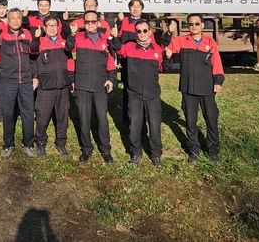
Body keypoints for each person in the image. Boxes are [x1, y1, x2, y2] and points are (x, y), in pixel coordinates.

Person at [163, 13, 224, 165]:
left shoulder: (210, 42)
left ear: (202, 25)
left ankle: (213, 151)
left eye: (197, 23)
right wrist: (169, 33)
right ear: (187, 26)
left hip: (207, 88)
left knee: (211, 119)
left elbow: (216, 63)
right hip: (188, 88)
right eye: (191, 24)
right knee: (190, 121)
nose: (194, 26)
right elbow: (166, 46)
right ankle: (194, 151)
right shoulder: (181, 41)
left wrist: (218, 81)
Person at [110, 21, 164, 168]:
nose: (142, 34)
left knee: (154, 125)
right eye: (139, 31)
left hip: (153, 94)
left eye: (145, 30)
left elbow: (162, 67)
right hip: (134, 94)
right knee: (134, 124)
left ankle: (156, 153)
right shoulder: (129, 47)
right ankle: (136, 152)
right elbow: (118, 49)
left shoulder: (157, 50)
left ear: (150, 32)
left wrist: (169, 56)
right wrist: (114, 37)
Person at [66, 11, 117, 163]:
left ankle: (105, 149)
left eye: (92, 21)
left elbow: (110, 62)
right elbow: (68, 48)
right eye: (87, 22)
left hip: (100, 85)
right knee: (84, 119)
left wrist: (111, 79)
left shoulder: (105, 40)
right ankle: (86, 148)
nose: (90, 24)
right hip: (82, 84)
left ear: (98, 22)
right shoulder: (78, 37)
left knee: (102, 119)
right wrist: (72, 34)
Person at [0, 8, 38, 159]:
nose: (16, 20)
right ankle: (8, 145)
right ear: (7, 20)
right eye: (13, 18)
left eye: (18, 18)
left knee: (28, 113)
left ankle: (27, 144)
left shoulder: (27, 34)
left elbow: (33, 56)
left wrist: (35, 76)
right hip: (8, 81)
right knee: (8, 113)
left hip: (25, 80)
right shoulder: (2, 34)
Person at [30, 15, 72, 159]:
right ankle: (40, 141)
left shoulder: (63, 43)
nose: (52, 28)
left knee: (62, 116)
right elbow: (32, 52)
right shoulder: (40, 42)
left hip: (62, 86)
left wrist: (71, 80)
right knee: (42, 115)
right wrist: (36, 38)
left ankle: (61, 142)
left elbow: (70, 59)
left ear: (58, 27)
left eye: (54, 25)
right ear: (44, 27)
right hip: (46, 86)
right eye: (49, 25)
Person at [116, 0, 146, 128]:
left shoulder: (145, 24)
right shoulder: (124, 21)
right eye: (133, 6)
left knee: (142, 89)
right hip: (127, 61)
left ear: (142, 9)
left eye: (138, 6)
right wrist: (119, 21)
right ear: (129, 9)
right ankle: (126, 119)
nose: (136, 8)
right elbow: (115, 34)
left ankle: (142, 120)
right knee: (127, 89)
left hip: (142, 61)